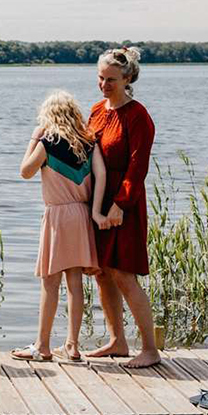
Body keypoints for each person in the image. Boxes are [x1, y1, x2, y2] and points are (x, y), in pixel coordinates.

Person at [14, 89, 109, 362]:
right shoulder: (89, 142)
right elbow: (100, 176)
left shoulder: (48, 142)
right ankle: (73, 345)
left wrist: (35, 137)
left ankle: (42, 345)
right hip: (81, 215)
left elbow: (25, 172)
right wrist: (97, 211)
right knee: (75, 282)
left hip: (57, 216)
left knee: (50, 282)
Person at [86, 46, 161, 369]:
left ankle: (149, 349)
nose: (104, 85)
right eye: (101, 78)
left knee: (124, 274)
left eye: (111, 80)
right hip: (96, 200)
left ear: (128, 78)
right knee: (102, 273)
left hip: (124, 202)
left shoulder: (138, 115)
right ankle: (117, 341)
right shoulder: (96, 110)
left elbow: (137, 166)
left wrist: (120, 204)